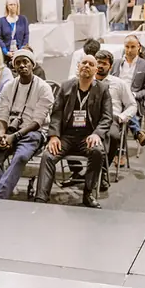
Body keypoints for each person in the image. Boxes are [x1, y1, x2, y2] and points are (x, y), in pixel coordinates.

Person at [35, 54, 112, 208]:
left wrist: (97, 134)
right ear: (78, 66)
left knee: (97, 152)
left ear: (96, 70)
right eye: (84, 63)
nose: (87, 66)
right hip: (67, 136)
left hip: (88, 136)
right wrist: (54, 136)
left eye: (91, 64)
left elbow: (107, 117)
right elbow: (56, 114)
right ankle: (41, 198)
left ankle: (88, 194)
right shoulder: (66, 86)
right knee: (48, 155)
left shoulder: (102, 89)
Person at [0, 49, 53, 199]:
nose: (22, 65)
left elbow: (37, 122)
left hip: (33, 132)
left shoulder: (44, 88)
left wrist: (14, 137)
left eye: (25, 62)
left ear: (32, 65)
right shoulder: (9, 86)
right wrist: (2, 135)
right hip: (9, 129)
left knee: (21, 157)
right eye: (18, 63)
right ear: (14, 67)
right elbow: (3, 113)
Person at [95, 49, 138, 171]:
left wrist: (122, 117)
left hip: (111, 118)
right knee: (68, 136)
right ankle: (76, 171)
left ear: (110, 67)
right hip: (89, 118)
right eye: (98, 62)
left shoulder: (119, 83)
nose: (100, 66)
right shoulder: (86, 81)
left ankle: (103, 170)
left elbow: (132, 105)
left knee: (113, 137)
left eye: (104, 63)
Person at [111, 34, 145, 147]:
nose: (129, 50)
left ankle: (119, 149)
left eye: (132, 47)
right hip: (116, 98)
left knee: (126, 107)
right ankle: (138, 133)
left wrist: (134, 94)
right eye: (127, 47)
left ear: (139, 47)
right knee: (121, 108)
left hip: (134, 100)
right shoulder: (115, 63)